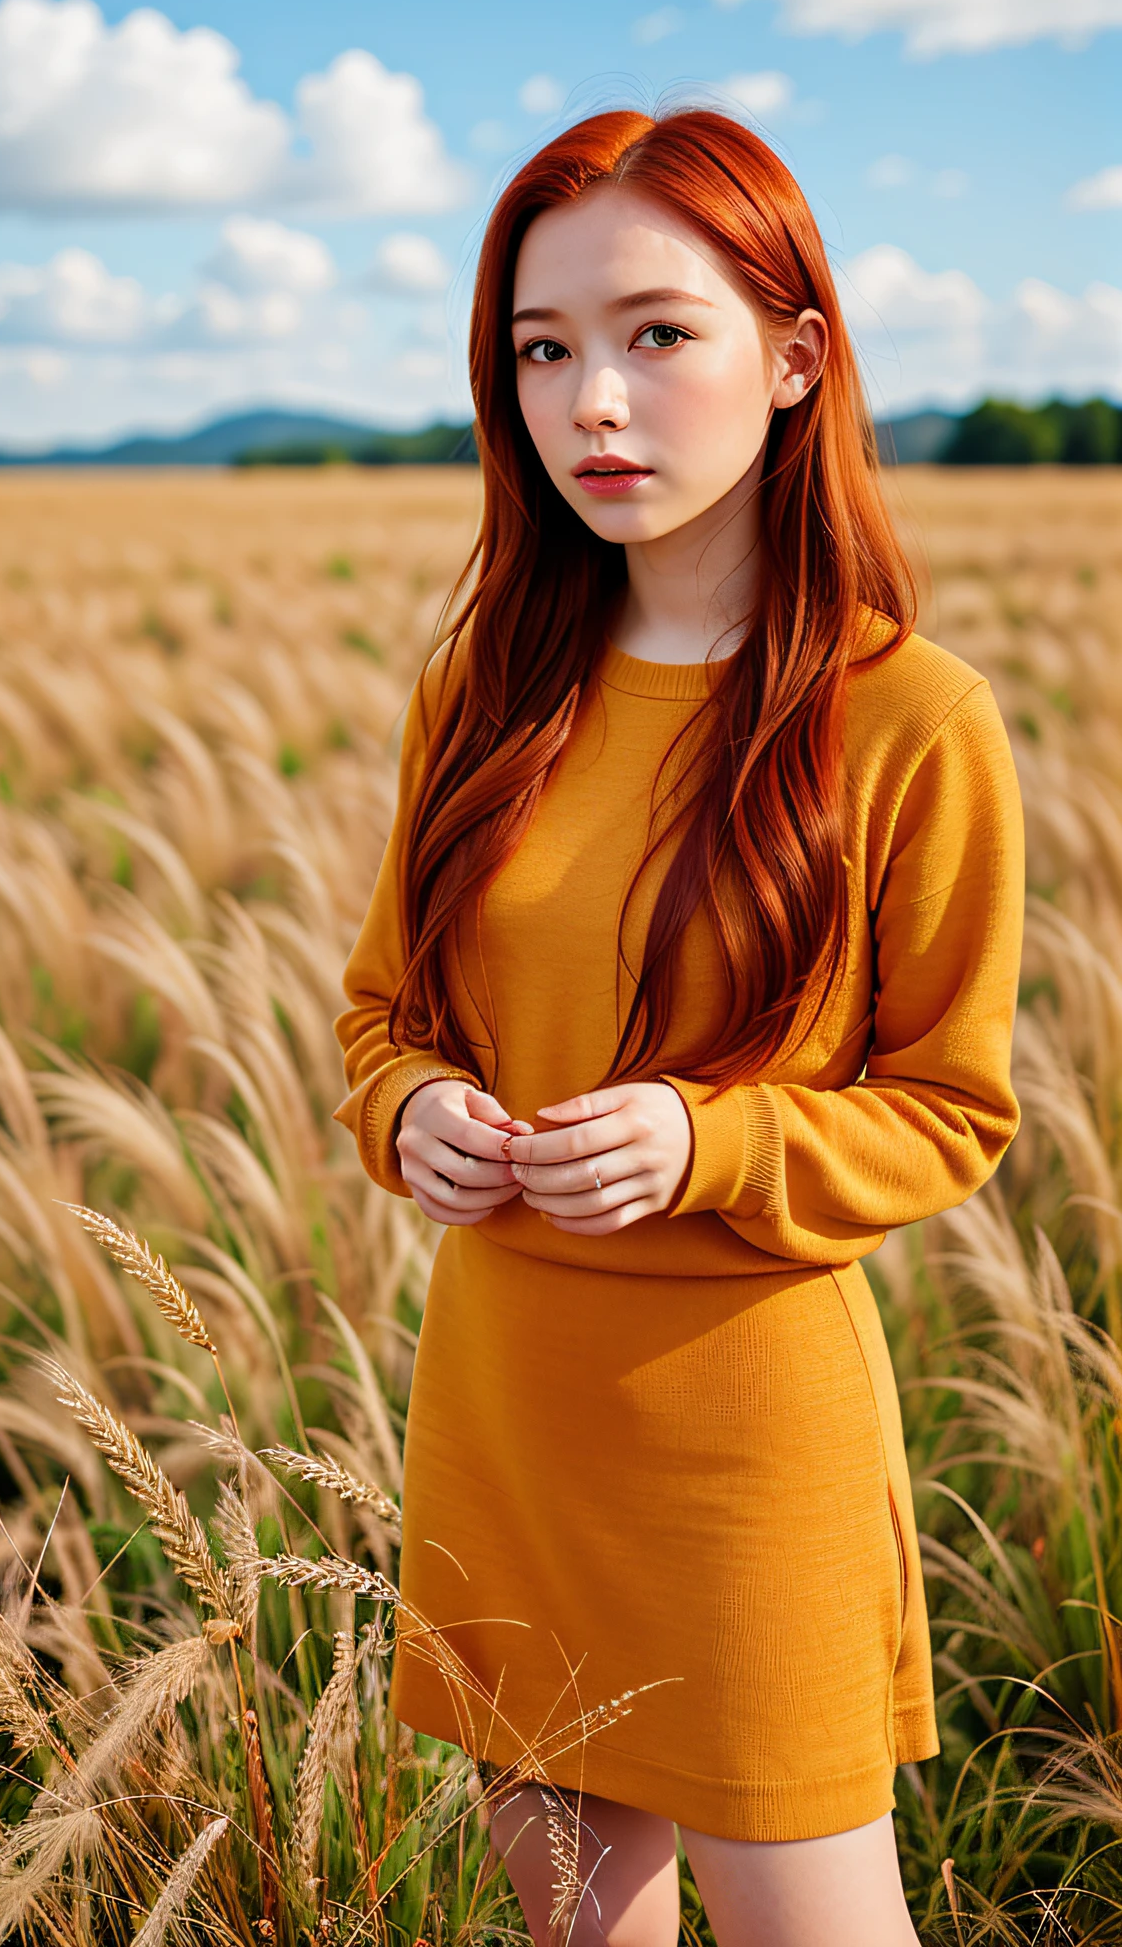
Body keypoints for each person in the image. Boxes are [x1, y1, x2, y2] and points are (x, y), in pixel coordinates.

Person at [332, 109, 1024, 1947]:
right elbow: (380, 1016)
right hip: (503, 1408)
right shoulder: (481, 694)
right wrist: (408, 1116)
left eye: (658, 333)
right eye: (544, 350)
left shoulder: (911, 718)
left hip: (747, 1449)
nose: (594, 405)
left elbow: (952, 1109)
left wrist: (706, 1139)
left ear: (795, 356)